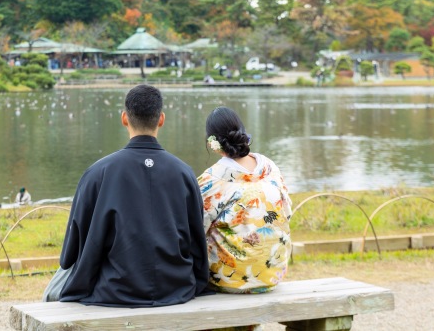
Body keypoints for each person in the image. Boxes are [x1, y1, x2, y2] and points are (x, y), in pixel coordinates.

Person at [43, 84, 208, 307]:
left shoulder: (98, 173)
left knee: (54, 288)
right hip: (176, 288)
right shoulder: (184, 173)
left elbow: (69, 254)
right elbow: (198, 243)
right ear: (161, 119)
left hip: (114, 290)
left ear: (124, 118)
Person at [198, 106, 292, 294]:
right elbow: (287, 212)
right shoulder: (269, 167)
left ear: (212, 143)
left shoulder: (212, 179)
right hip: (273, 272)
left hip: (228, 278)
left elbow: (195, 227)